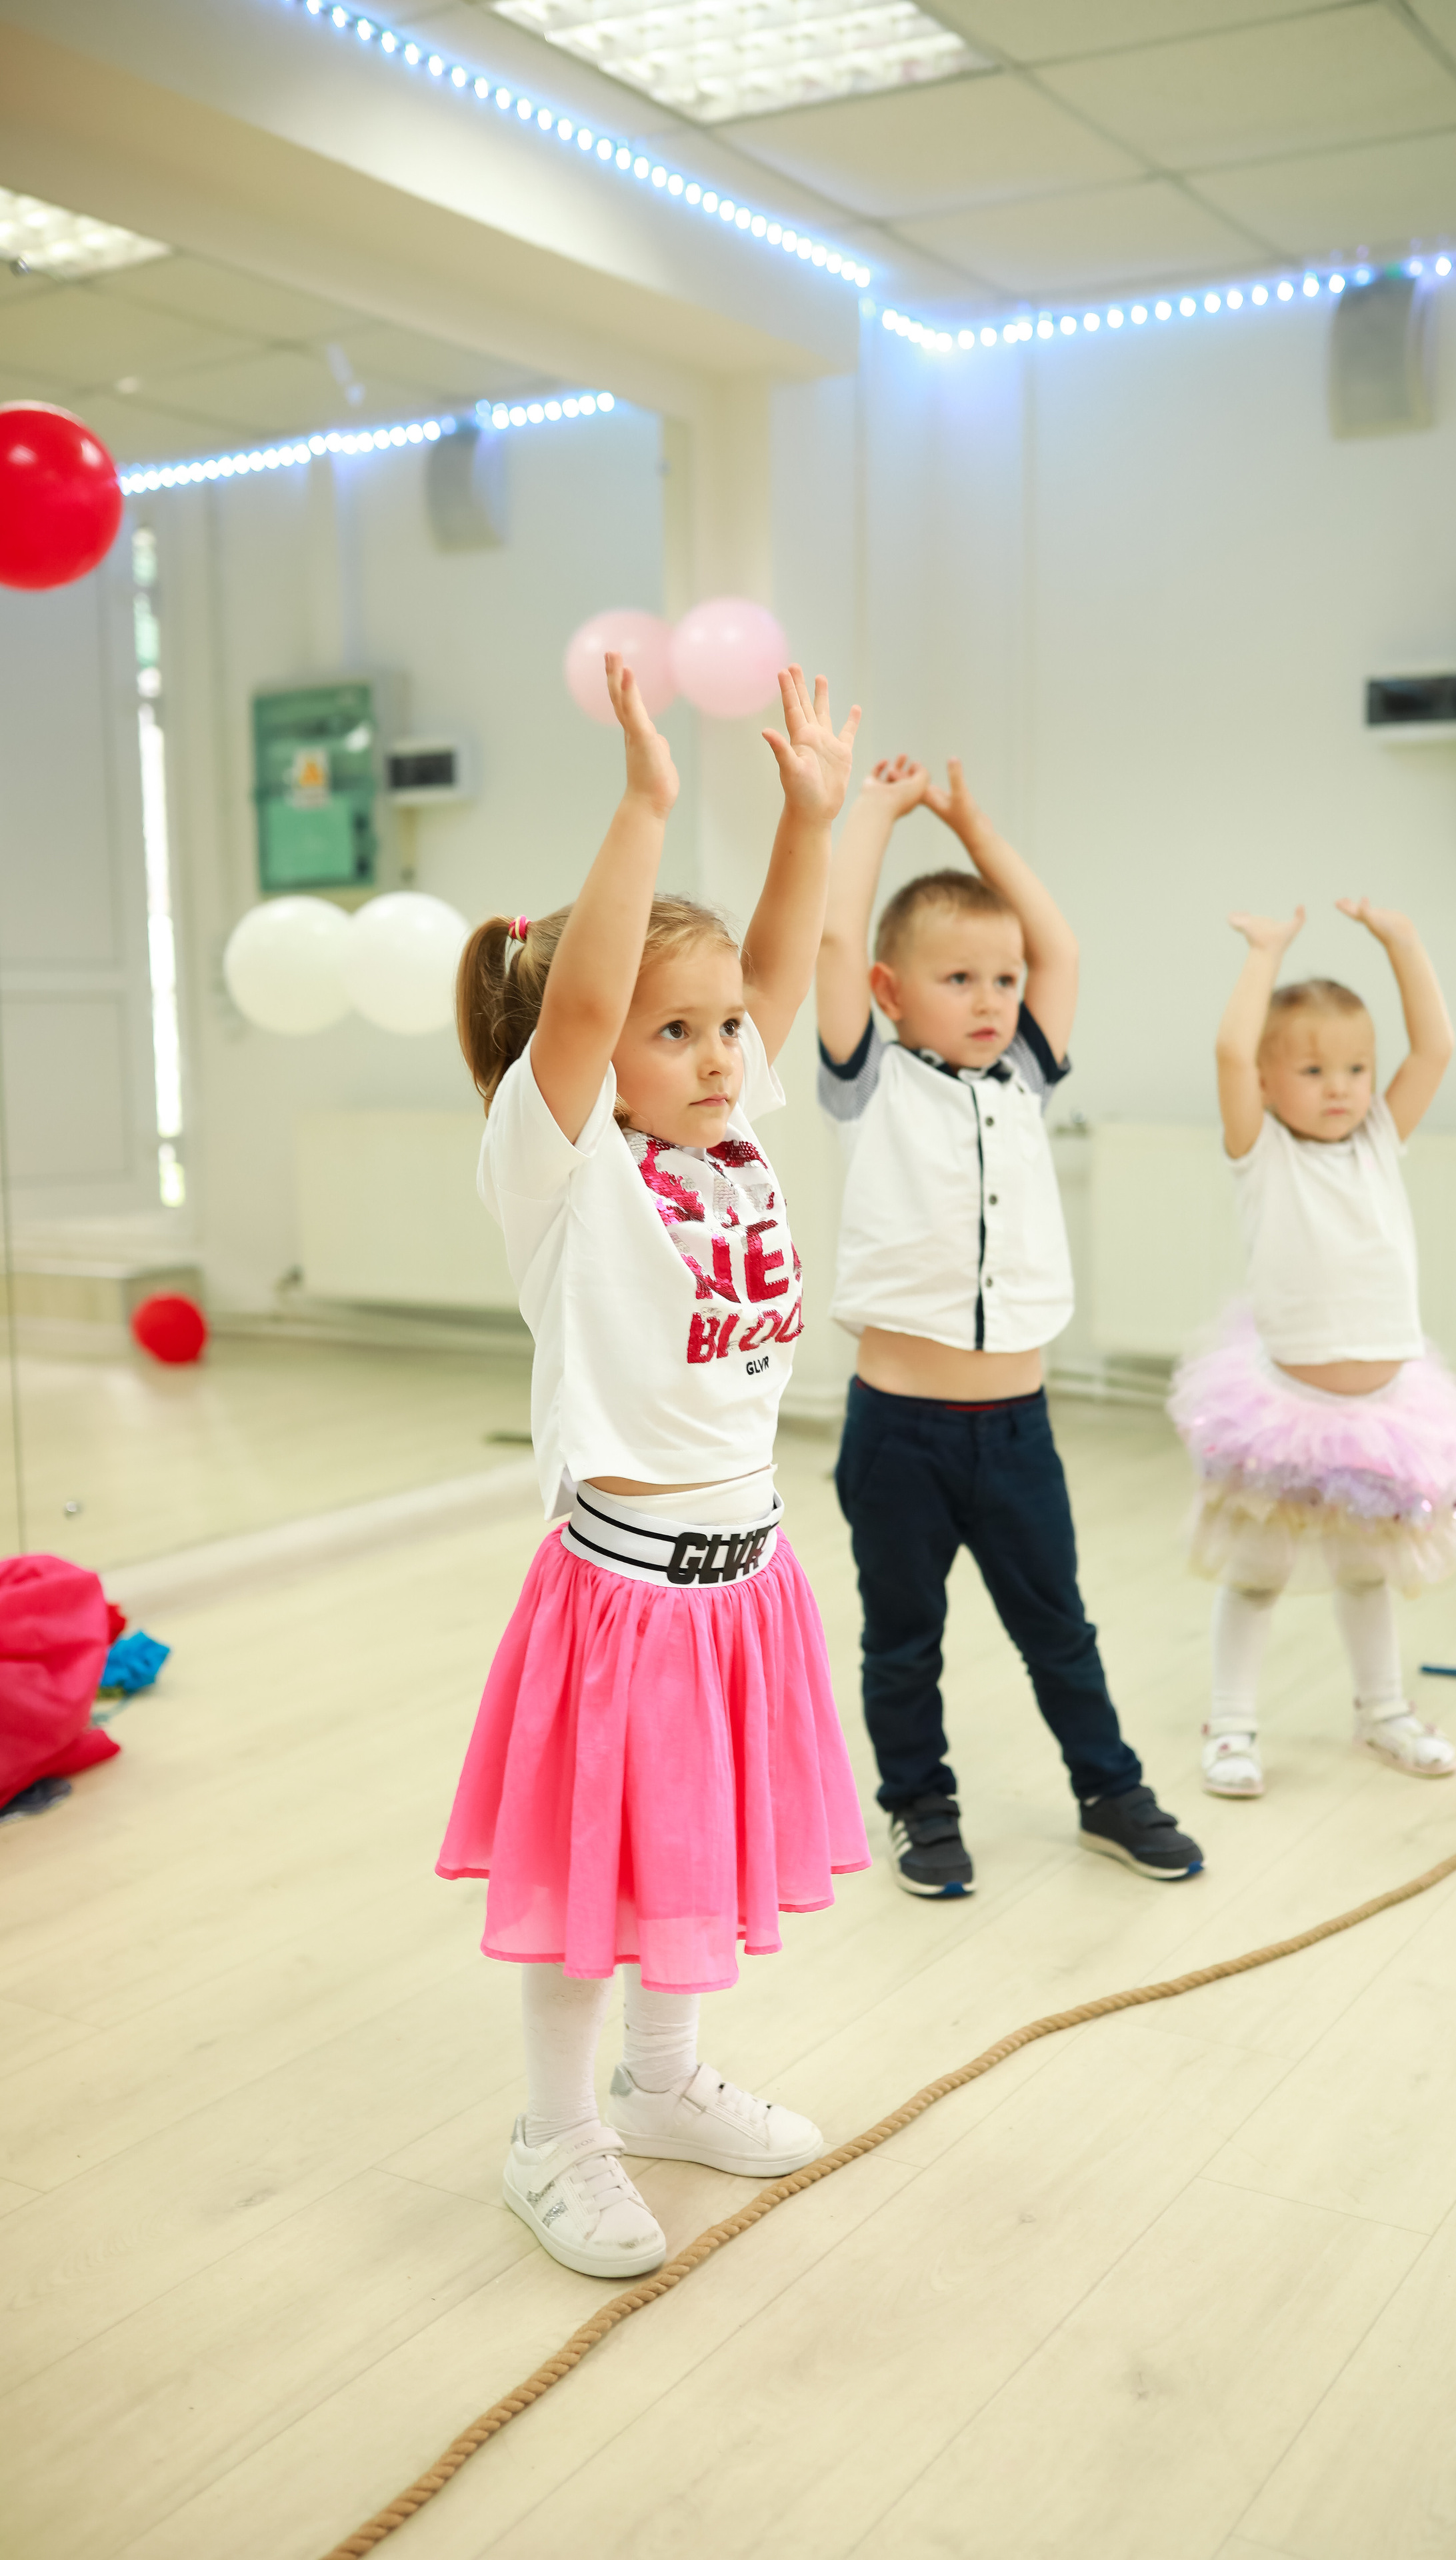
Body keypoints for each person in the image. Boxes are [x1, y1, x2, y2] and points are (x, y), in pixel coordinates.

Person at [439, 653, 870, 2281]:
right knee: (589, 1894)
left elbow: (760, 965)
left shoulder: (732, 1129)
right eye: (665, 1031)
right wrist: (642, 805)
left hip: (744, 1579)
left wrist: (806, 819)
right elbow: (593, 1003)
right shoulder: (557, 1168)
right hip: (619, 1598)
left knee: (689, 1863)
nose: (709, 1052)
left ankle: (665, 2085)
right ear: (592, 1049)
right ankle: (551, 2143)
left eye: (724, 1034)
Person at [815, 753, 1204, 1898]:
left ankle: (1109, 1791)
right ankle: (920, 1809)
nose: (993, 1001)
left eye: (1003, 980)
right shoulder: (867, 1084)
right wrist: (874, 815)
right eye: (960, 980)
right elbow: (836, 944)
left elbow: (1063, 947)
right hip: (899, 1435)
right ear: (893, 994)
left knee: (1060, 1630)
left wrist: (976, 823)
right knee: (902, 1643)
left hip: (1017, 1433)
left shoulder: (1024, 1078)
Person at [1168, 900, 1456, 1798]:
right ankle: (1231, 1726)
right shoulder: (1261, 1153)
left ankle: (1381, 1712)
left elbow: (1437, 1049)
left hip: (1383, 1418)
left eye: (1355, 1068)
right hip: (1283, 1413)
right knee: (1258, 1572)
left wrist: (1405, 944)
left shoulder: (1381, 1139)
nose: (1341, 1086)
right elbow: (1230, 1051)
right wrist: (1265, 956)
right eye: (1312, 1069)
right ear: (1268, 1083)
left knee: (1367, 1571)